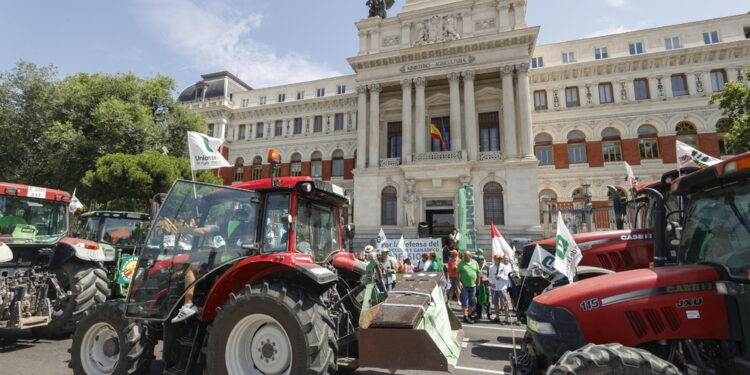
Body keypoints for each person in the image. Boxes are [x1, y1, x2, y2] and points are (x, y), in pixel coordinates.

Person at [172, 209, 252, 323]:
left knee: (192, 268)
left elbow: (203, 231)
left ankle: (188, 305)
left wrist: (184, 230)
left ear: (234, 216)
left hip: (229, 261)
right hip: (243, 261)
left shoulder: (228, 225)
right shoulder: (252, 226)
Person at [456, 250, 479, 324]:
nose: (465, 257)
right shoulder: (461, 263)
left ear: (470, 256)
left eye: (466, 255)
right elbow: (458, 273)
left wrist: (478, 282)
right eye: (464, 255)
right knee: (465, 301)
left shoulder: (475, 262)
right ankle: (465, 316)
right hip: (464, 285)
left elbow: (478, 273)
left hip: (473, 285)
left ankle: (469, 315)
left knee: (472, 301)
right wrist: (459, 282)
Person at [489, 254, 513, 324]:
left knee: (505, 303)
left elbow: (508, 277)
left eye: (499, 259)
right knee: (495, 303)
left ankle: (506, 319)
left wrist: (501, 276)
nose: (498, 260)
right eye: (497, 259)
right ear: (494, 259)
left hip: (502, 287)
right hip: (494, 288)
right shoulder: (491, 267)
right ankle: (497, 317)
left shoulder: (504, 267)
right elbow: (490, 277)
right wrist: (491, 283)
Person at [472, 255, 491, 321]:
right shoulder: (475, 267)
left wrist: (486, 279)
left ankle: (489, 314)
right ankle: (479, 315)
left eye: (481, 260)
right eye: (479, 260)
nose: (480, 261)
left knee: (487, 300)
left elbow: (491, 277)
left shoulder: (487, 268)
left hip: (486, 286)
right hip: (478, 286)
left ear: (483, 260)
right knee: (478, 301)